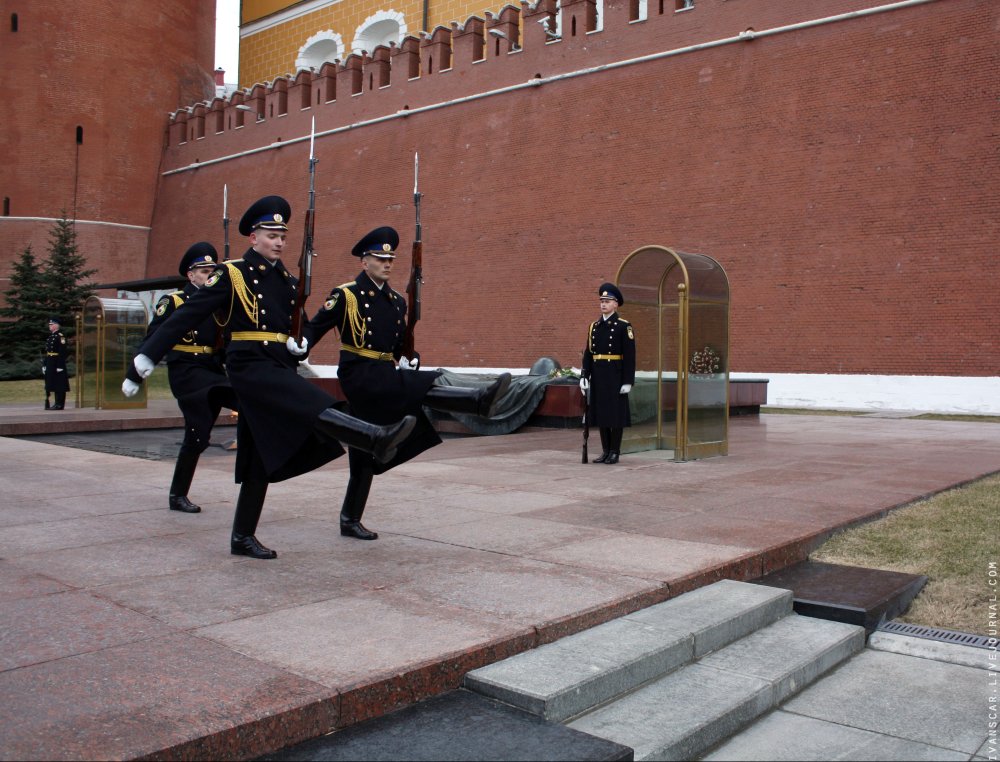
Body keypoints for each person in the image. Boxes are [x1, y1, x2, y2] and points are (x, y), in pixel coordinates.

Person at [122, 196, 416, 559]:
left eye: (282, 235)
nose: (278, 241)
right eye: (271, 234)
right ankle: (371, 436)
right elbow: (187, 315)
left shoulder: (290, 282)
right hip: (249, 366)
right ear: (253, 237)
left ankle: (242, 537)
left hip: (277, 363)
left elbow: (301, 331)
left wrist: (300, 345)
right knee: (306, 398)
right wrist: (146, 356)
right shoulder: (232, 274)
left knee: (257, 456)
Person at [299, 226, 510, 540]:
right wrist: (299, 346)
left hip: (384, 374)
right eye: (379, 258)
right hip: (360, 374)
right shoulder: (346, 295)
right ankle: (475, 401)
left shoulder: (397, 302)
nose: (386, 264)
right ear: (364, 261)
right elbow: (314, 329)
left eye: (390, 259)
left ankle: (350, 519)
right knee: (418, 383)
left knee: (365, 450)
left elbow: (398, 346)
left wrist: (408, 356)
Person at [128, 242, 240, 513]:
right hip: (187, 373)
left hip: (212, 370)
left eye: (213, 271)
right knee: (207, 425)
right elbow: (154, 338)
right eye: (204, 271)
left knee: (199, 437)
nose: (209, 275)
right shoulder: (175, 302)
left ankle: (177, 494)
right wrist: (135, 374)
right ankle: (178, 494)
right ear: (190, 275)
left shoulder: (218, 305)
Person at [580, 283, 636, 464]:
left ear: (616, 304)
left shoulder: (623, 327)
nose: (603, 304)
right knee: (602, 414)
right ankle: (605, 451)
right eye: (602, 301)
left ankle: (615, 451)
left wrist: (628, 381)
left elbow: (630, 356)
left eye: (607, 301)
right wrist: (584, 376)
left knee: (616, 415)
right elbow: (589, 354)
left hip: (615, 376)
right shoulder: (594, 327)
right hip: (598, 376)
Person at [44, 316, 71, 410]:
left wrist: (59, 365)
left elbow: (62, 352)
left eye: (51, 324)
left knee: (60, 384)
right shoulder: (51, 336)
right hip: (51, 362)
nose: (49, 326)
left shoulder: (60, 337)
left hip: (57, 363)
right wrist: (45, 364)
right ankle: (56, 403)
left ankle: (60, 404)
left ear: (56, 325)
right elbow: (48, 352)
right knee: (54, 383)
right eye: (49, 324)